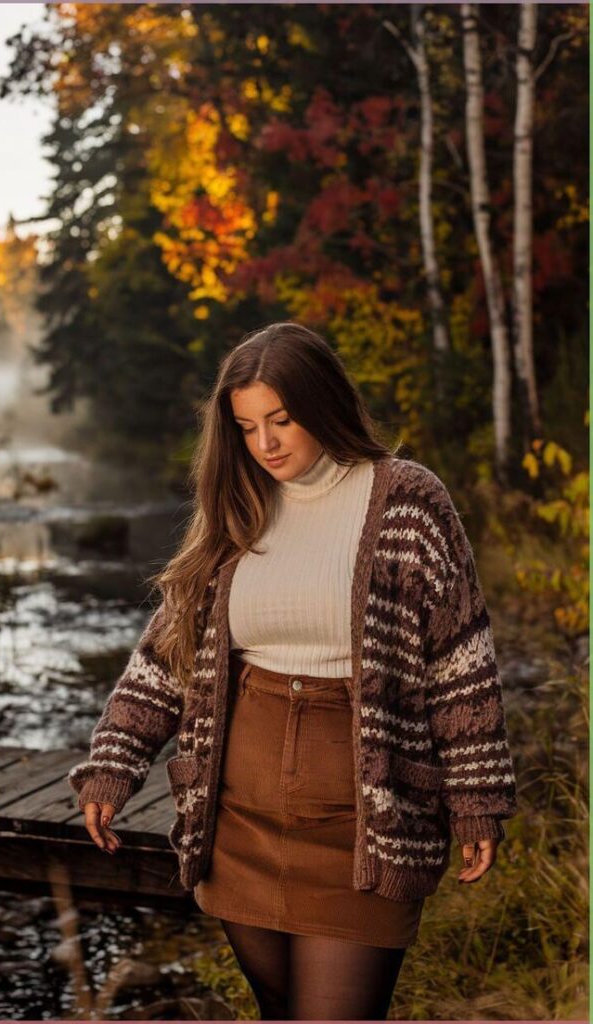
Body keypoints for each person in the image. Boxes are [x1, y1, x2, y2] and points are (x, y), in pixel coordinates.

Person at [68, 321, 518, 1021]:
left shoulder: (405, 499)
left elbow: (459, 660)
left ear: (324, 405)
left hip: (365, 818)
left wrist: (476, 796)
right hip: (239, 815)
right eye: (247, 428)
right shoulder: (237, 507)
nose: (266, 444)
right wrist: (113, 762)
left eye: (280, 420)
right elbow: (167, 653)